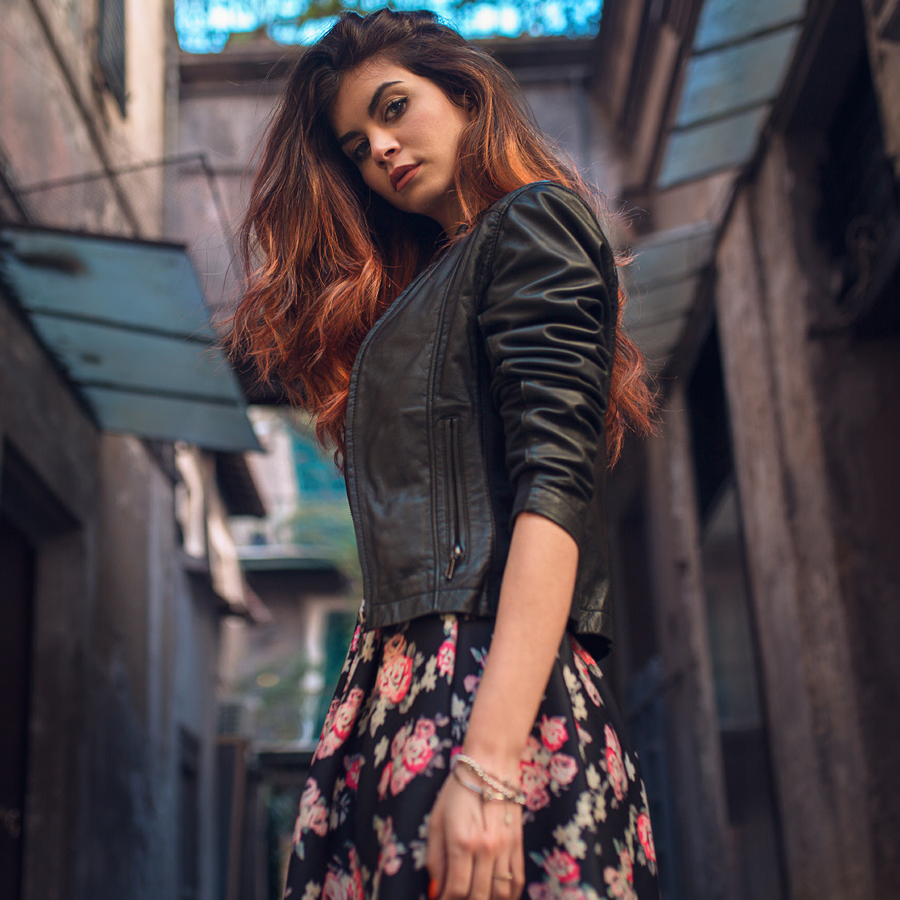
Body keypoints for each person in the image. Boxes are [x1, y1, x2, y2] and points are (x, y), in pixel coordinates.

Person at [227, 9, 662, 900]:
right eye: (356, 145)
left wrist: (492, 764)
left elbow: (557, 488)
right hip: (407, 694)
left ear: (463, 95)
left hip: (486, 699)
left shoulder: (533, 224)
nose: (381, 148)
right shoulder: (428, 284)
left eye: (395, 108)